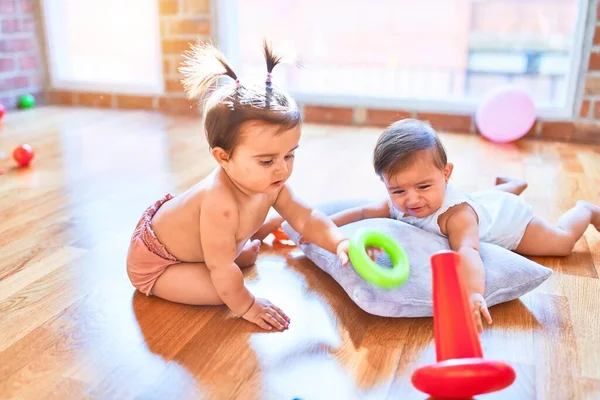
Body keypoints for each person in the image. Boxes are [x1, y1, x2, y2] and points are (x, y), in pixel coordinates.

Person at [126, 40, 350, 332]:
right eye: (267, 161)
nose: (282, 168)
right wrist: (248, 305)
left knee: (227, 260)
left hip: (206, 244)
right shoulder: (220, 205)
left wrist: (338, 242)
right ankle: (226, 254)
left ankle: (231, 250)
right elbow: (221, 271)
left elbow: (306, 217)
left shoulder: (270, 183)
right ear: (223, 157)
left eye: (289, 154)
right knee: (222, 290)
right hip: (160, 263)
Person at [298, 118, 600, 332]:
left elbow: (469, 252)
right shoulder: (402, 200)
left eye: (423, 186)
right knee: (480, 199)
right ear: (385, 183)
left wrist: (473, 294)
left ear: (446, 173)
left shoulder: (456, 217)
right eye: (398, 190)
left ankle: (584, 210)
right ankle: (511, 183)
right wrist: (317, 229)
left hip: (511, 221)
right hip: (482, 201)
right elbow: (362, 212)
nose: (412, 200)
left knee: (561, 244)